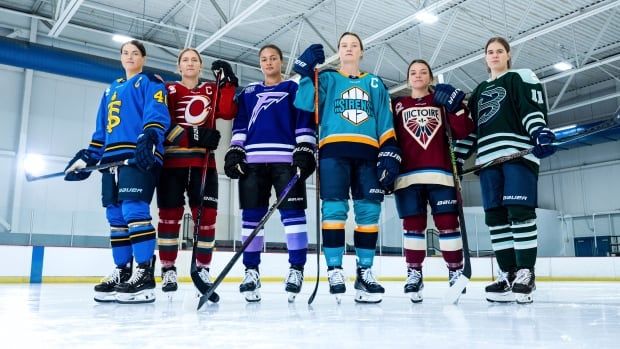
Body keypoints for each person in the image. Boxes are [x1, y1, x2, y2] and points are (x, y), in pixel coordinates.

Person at [293, 32, 400, 304]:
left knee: (369, 212)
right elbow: (304, 102)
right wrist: (304, 72)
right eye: (344, 45)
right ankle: (334, 269)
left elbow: (385, 122)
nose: (349, 48)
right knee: (334, 210)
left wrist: (389, 151)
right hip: (333, 152)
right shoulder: (327, 78)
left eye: (354, 45)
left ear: (362, 52)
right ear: (338, 52)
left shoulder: (375, 83)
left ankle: (364, 272)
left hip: (368, 154)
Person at [64, 40, 170, 304]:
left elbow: (156, 112)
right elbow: (101, 130)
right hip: (110, 161)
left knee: (134, 211)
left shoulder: (150, 81)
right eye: (125, 53)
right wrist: (87, 158)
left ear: (143, 58)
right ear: (120, 57)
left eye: (135, 53)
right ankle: (123, 272)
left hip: (137, 156)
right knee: (115, 217)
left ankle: (144, 273)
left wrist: (150, 136)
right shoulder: (110, 89)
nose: (130, 57)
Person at [454, 37, 556, 304]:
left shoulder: (519, 77)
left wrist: (539, 132)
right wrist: (457, 156)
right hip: (488, 161)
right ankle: (508, 274)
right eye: (490, 52)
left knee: (520, 213)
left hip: (516, 154)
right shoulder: (477, 91)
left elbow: (530, 109)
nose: (495, 55)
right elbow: (472, 130)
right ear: (485, 58)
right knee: (496, 218)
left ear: (508, 55)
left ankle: (526, 273)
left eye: (500, 51)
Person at [224, 44, 316, 303]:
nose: (268, 62)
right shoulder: (249, 92)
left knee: (293, 216)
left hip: (286, 160)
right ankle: (251, 271)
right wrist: (235, 150)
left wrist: (306, 147)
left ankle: (296, 269)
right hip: (253, 162)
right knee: (251, 218)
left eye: (273, 58)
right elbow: (240, 123)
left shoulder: (292, 89)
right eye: (264, 59)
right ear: (260, 63)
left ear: (281, 61)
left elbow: (303, 120)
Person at [156, 48, 238, 297]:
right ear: (178, 66)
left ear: (201, 67)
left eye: (194, 60)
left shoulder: (210, 90)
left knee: (207, 218)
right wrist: (194, 135)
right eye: (185, 60)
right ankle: (168, 268)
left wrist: (229, 83)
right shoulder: (169, 90)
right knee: (169, 217)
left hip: (204, 163)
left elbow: (227, 111)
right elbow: (162, 122)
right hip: (172, 164)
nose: (190, 63)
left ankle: (202, 268)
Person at [391, 59, 473, 303]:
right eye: (413, 72)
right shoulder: (398, 105)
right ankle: (414, 272)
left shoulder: (441, 103)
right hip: (407, 177)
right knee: (413, 228)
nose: (418, 76)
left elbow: (464, 130)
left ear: (431, 77)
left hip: (441, 174)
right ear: (408, 79)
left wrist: (457, 106)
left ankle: (455, 270)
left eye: (423, 72)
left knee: (448, 224)